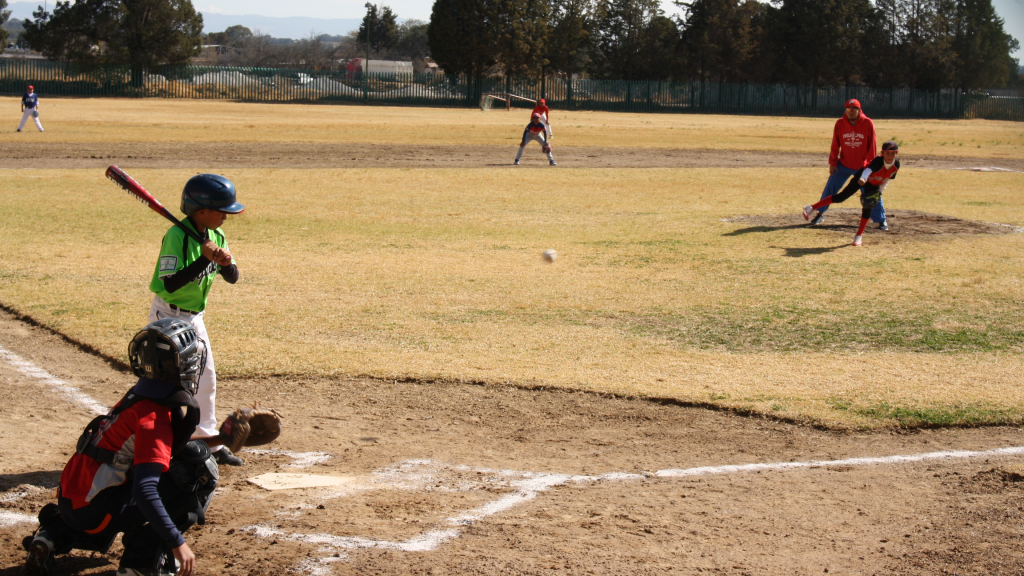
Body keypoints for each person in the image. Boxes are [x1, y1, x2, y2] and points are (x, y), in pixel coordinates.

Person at [23, 318, 224, 576]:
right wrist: (177, 542)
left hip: (71, 502)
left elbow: (170, 446)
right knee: (197, 470)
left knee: (117, 483)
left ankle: (51, 536)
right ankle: (138, 564)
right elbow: (145, 490)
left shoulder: (140, 396)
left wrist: (224, 438)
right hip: (95, 512)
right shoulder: (154, 418)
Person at [148, 174, 244, 466]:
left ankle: (208, 443)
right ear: (201, 211)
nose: (227, 216)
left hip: (195, 319)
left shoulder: (215, 236)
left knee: (206, 379)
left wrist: (224, 262)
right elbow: (171, 284)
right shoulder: (176, 236)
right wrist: (204, 259)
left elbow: (234, 277)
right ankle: (154, 446)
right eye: (222, 210)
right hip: (166, 317)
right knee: (165, 385)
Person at [806, 98, 886, 229]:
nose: (851, 112)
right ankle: (820, 214)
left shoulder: (867, 123)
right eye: (849, 109)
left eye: (854, 109)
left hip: (862, 166)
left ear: (860, 111)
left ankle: (881, 220)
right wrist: (833, 162)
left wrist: (871, 167)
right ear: (845, 111)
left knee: (871, 191)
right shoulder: (840, 123)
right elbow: (835, 144)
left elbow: (872, 146)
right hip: (843, 164)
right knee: (830, 189)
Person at [803, 140, 900, 247]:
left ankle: (858, 236)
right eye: (887, 153)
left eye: (893, 153)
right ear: (882, 153)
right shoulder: (878, 161)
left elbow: (886, 179)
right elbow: (867, 170)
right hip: (862, 177)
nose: (890, 156)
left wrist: (879, 193)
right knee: (841, 197)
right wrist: (863, 179)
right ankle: (811, 207)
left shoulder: (896, 165)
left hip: (874, 185)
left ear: (896, 153)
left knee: (868, 207)